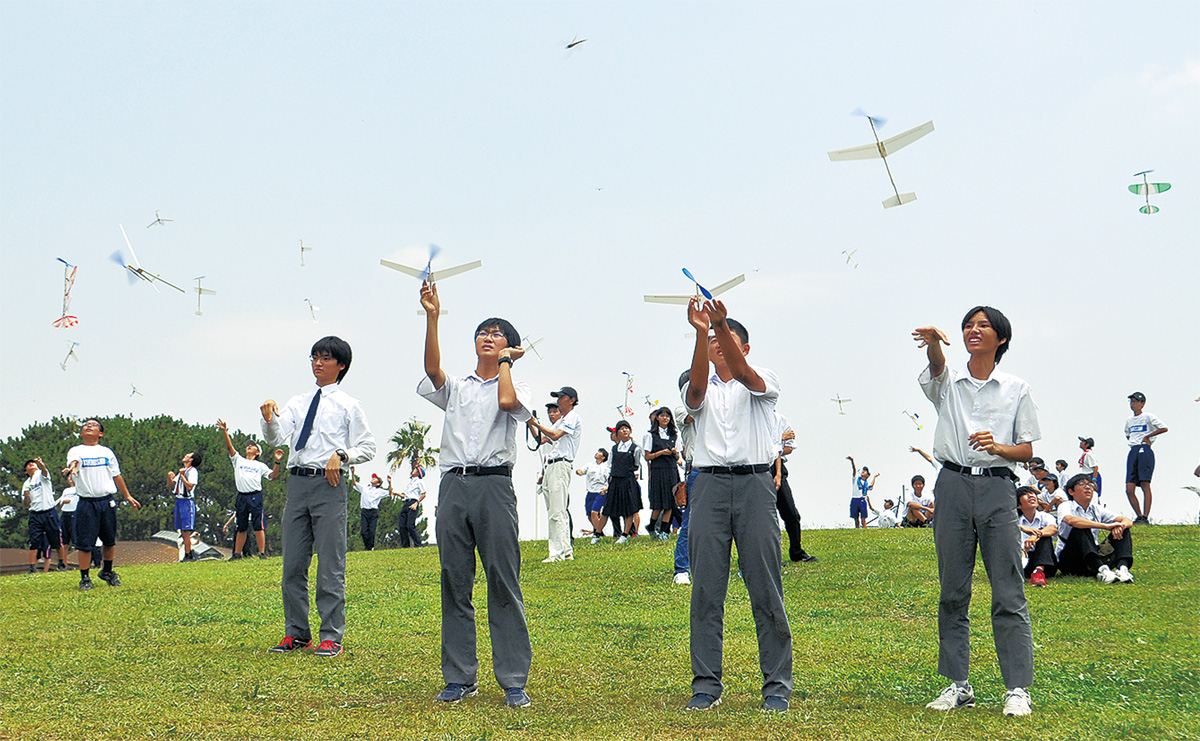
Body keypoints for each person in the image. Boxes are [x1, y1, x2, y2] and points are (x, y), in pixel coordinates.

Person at [913, 306, 1039, 718]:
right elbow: (936, 368)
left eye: (983, 326)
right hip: (951, 484)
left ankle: (1017, 688)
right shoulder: (950, 383)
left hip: (998, 488)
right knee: (953, 588)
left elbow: (1027, 449)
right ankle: (958, 685)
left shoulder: (1016, 388)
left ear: (1000, 338)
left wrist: (999, 447)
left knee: (1008, 589)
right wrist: (933, 345)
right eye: (968, 325)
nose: (973, 330)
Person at [417, 281, 534, 708]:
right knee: (455, 579)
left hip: (494, 485)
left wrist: (505, 363)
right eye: (483, 332)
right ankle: (459, 677)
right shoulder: (459, 386)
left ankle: (513, 678)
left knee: (503, 579)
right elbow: (433, 372)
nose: (488, 335)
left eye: (498, 333)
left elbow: (507, 402)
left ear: (512, 349)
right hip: (453, 484)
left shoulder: (521, 387)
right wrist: (433, 316)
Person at [683, 296, 792, 713]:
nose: (715, 344)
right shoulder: (698, 381)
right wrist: (698, 332)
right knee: (707, 590)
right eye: (710, 339)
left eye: (721, 339)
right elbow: (694, 393)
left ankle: (777, 685)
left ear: (741, 345)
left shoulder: (764, 380)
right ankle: (706, 684)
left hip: (754, 485)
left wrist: (721, 323)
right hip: (708, 485)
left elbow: (744, 373)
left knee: (765, 587)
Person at [261, 336, 376, 659]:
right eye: (314, 357)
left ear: (340, 365)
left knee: (330, 564)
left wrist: (342, 454)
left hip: (329, 485)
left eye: (325, 358)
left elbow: (368, 446)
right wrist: (270, 418)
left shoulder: (349, 404)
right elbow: (277, 437)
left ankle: (331, 636)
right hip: (297, 484)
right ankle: (297, 633)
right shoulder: (298, 401)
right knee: (293, 564)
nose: (317, 363)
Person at [62, 419, 142, 591]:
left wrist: (127, 495)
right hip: (86, 503)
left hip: (107, 501)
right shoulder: (76, 450)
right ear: (82, 433)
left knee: (109, 540)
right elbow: (73, 462)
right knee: (85, 543)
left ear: (101, 433)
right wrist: (73, 469)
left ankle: (107, 571)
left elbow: (116, 475)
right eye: (86, 425)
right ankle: (85, 578)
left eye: (94, 425)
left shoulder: (106, 452)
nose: (89, 426)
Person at [526, 387, 582, 562]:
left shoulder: (573, 417)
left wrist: (536, 424)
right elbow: (541, 439)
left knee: (557, 511)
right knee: (556, 510)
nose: (559, 400)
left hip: (561, 465)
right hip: (551, 466)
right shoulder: (561, 420)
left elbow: (556, 436)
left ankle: (556, 553)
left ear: (571, 400)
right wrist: (529, 421)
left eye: (561, 397)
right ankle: (566, 551)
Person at [218, 419, 281, 560]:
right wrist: (224, 431)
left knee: (258, 525)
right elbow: (230, 447)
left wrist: (277, 461)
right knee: (241, 526)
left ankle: (262, 553)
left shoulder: (260, 465)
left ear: (257, 452)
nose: (249, 447)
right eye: (248, 446)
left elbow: (273, 475)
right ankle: (237, 554)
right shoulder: (239, 460)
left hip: (255, 496)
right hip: (242, 496)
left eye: (252, 446)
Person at [1057, 474, 1135, 583]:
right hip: (1071, 560)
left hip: (1094, 555)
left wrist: (1121, 526)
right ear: (1071, 492)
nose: (1088, 487)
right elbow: (1071, 521)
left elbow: (1127, 520)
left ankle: (1122, 569)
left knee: (1124, 529)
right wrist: (1105, 526)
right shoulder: (1066, 506)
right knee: (1080, 527)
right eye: (1082, 484)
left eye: (1090, 484)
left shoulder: (1096, 508)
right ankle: (1102, 571)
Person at [774, 412, 815, 561]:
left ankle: (797, 552)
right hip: (758, 468)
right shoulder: (751, 419)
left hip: (777, 467)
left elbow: (789, 448)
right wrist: (779, 441)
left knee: (791, 513)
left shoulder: (781, 420)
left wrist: (775, 445)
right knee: (766, 519)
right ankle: (772, 556)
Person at [1123, 392, 1168, 524]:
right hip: (1133, 450)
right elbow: (1127, 434)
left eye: (1136, 401)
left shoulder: (1148, 416)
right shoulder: (1129, 420)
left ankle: (1145, 517)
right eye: (1131, 401)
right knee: (1129, 488)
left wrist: (1148, 437)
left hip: (1145, 449)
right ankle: (1139, 515)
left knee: (1144, 483)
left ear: (1142, 403)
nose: (1133, 404)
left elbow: (1164, 428)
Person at [599, 420, 643, 543]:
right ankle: (597, 534)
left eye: (627, 428)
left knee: (629, 508)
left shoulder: (635, 448)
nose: (624, 430)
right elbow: (610, 464)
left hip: (628, 480)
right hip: (615, 480)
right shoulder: (614, 448)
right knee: (608, 508)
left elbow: (636, 464)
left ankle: (626, 534)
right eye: (621, 428)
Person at [23, 458, 68, 573]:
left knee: (56, 539)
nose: (31, 464)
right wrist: (27, 496)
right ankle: (32, 567)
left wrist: (42, 465)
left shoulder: (41, 475)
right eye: (28, 465)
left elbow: (45, 472)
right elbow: (25, 503)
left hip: (49, 512)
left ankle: (61, 563)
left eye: (32, 463)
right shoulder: (26, 484)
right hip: (35, 514)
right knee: (34, 541)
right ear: (25, 471)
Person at [643, 407, 681, 540]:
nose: (665, 418)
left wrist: (675, 453)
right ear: (657, 418)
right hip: (658, 471)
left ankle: (665, 531)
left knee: (670, 503)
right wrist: (661, 453)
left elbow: (678, 458)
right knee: (658, 504)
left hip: (671, 470)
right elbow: (647, 456)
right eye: (662, 415)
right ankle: (652, 526)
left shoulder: (674, 435)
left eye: (668, 416)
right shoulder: (650, 435)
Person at [1017, 486, 1057, 586]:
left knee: (1045, 536)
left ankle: (1038, 573)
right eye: (1025, 494)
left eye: (1032, 493)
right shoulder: (1015, 521)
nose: (1031, 495)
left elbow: (1053, 528)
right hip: (1023, 561)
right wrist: (1021, 527)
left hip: (1045, 563)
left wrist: (1035, 536)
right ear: (1018, 505)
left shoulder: (1045, 516)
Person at [168, 451, 203, 562]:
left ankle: (188, 554)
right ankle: (187, 553)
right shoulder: (182, 471)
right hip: (179, 501)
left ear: (191, 459)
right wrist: (170, 477)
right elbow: (171, 485)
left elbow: (189, 486)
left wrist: (182, 476)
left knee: (186, 530)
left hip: (187, 502)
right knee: (182, 530)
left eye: (188, 455)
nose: (185, 456)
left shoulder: (192, 472)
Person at [352, 469, 394, 551]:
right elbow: (354, 483)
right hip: (364, 511)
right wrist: (353, 473)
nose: (373, 479)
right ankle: (367, 547)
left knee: (371, 531)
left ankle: (370, 547)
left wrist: (389, 482)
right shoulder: (365, 488)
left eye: (375, 479)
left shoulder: (379, 491)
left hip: (373, 512)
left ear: (378, 483)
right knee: (363, 531)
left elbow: (390, 492)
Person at [577, 449, 610, 542]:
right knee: (589, 514)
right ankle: (599, 531)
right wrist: (579, 471)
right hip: (590, 491)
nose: (597, 453)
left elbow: (610, 480)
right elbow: (582, 470)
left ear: (603, 457)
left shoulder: (606, 467)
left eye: (600, 452)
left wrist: (606, 489)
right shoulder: (589, 465)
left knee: (594, 512)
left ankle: (597, 533)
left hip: (601, 492)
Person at [399, 461, 428, 548]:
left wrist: (416, 503)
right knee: (402, 525)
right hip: (406, 502)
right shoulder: (410, 482)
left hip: (413, 502)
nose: (413, 470)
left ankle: (419, 544)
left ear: (418, 473)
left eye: (415, 470)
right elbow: (405, 495)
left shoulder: (419, 482)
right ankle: (405, 546)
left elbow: (424, 494)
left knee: (410, 525)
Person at [846, 456, 878, 529]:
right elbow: (854, 470)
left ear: (868, 475)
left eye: (865, 471)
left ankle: (864, 528)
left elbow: (871, 486)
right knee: (855, 517)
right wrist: (852, 461)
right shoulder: (856, 479)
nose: (863, 471)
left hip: (862, 500)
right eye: (863, 470)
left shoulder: (866, 483)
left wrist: (875, 478)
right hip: (855, 499)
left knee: (863, 517)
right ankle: (857, 528)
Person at [57, 473, 80, 561]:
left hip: (75, 513)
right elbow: (61, 503)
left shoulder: (78, 489)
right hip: (65, 514)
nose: (70, 478)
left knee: (76, 540)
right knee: (64, 541)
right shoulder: (66, 490)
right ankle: (63, 563)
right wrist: (64, 502)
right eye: (68, 477)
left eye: (71, 476)